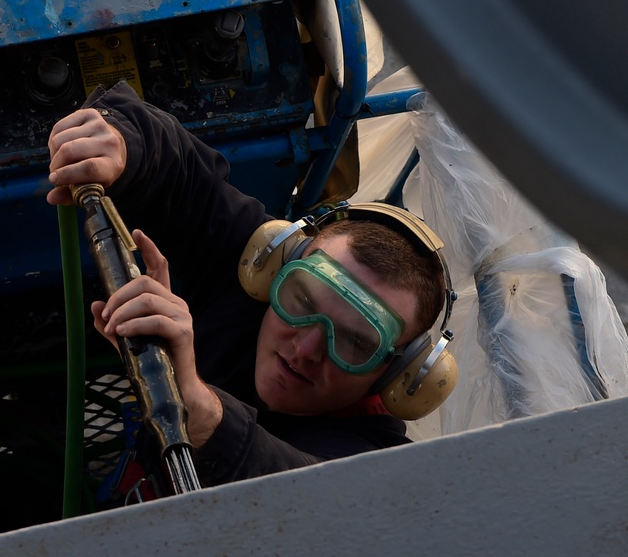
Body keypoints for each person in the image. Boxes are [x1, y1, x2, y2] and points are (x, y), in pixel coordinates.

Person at [46, 81, 455, 490]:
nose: (307, 348)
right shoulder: (250, 266)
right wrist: (121, 142)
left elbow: (325, 498)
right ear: (275, 268)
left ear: (399, 375)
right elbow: (178, 170)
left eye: (353, 342)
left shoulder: (371, 453)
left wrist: (201, 410)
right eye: (300, 300)